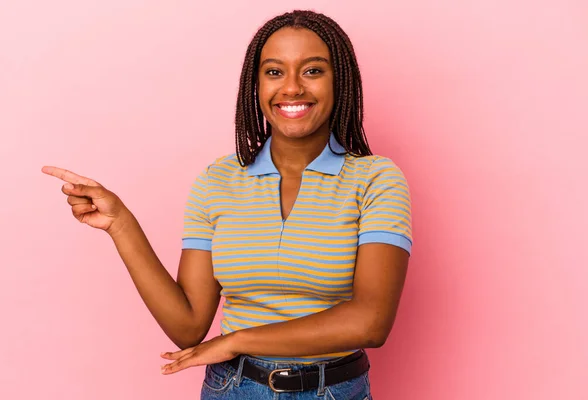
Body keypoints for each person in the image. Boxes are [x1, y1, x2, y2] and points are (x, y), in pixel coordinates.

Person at [42, 9, 412, 400]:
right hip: (233, 388)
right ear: (255, 85)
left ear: (341, 81)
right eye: (274, 72)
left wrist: (237, 340)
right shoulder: (216, 181)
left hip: (334, 390)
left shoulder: (377, 180)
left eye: (312, 71)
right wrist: (120, 223)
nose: (291, 88)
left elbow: (372, 322)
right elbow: (188, 327)